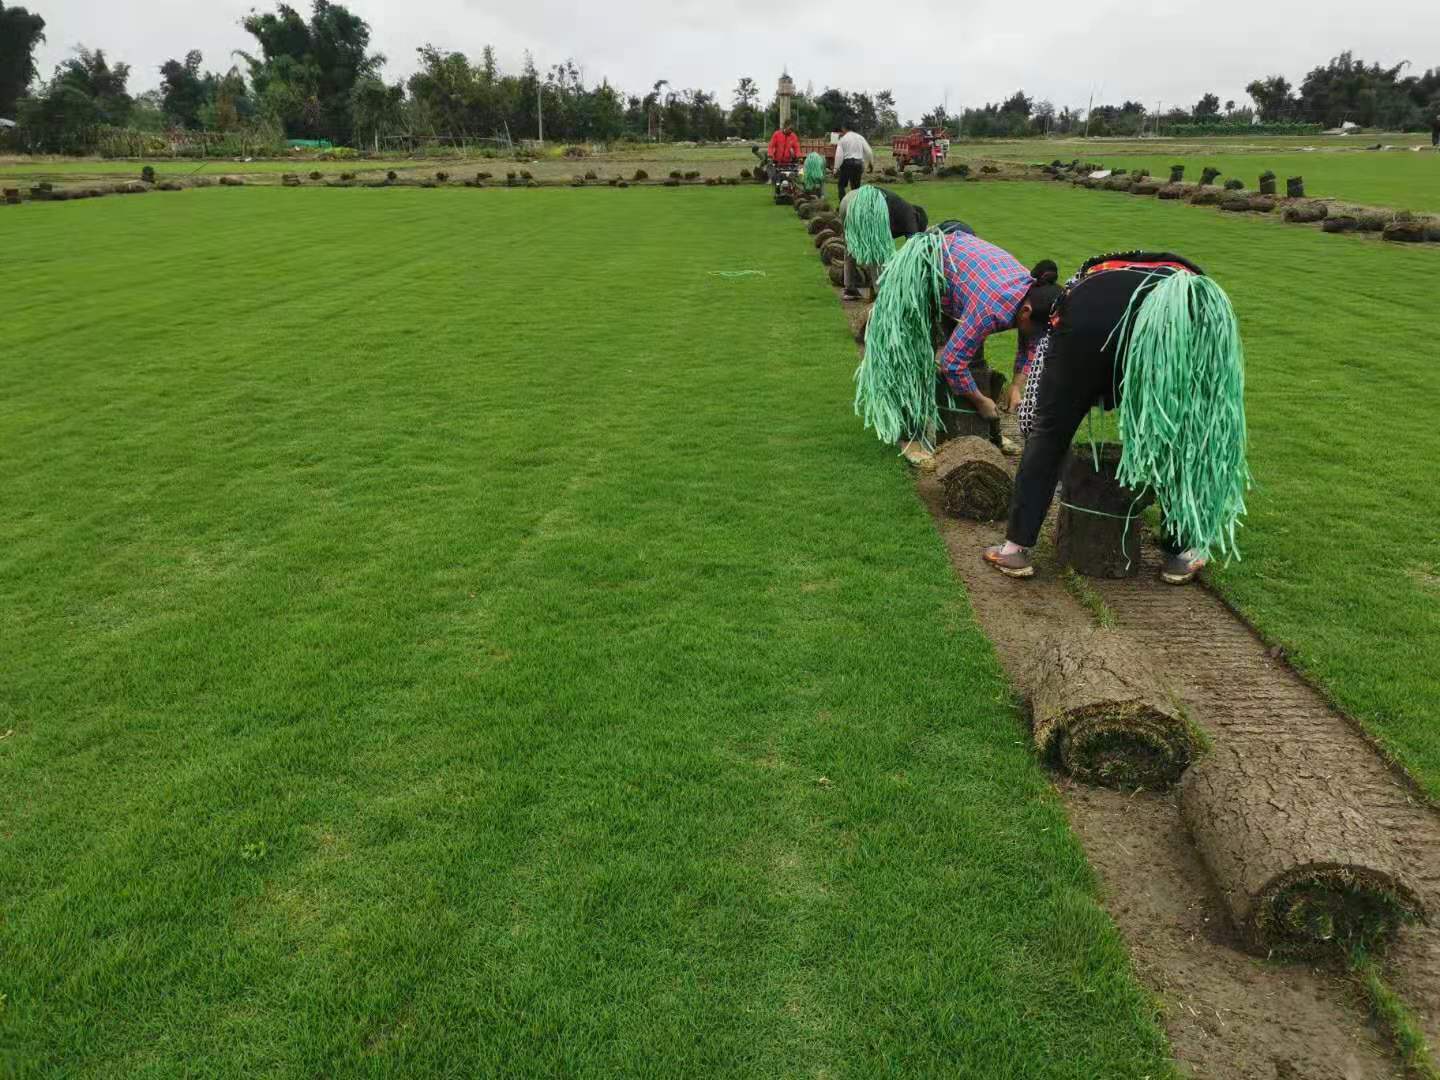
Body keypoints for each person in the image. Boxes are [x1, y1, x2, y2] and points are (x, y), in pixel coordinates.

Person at [985, 251, 1250, 584]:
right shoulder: (1192, 294)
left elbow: (1040, 399)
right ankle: (1181, 554)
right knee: (1178, 433)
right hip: (1163, 333)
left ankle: (1015, 550)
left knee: (1049, 434)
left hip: (1083, 326)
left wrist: (1036, 427)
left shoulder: (1083, 283)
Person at [854, 228, 1060, 464]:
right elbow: (951, 363)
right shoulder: (989, 308)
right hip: (923, 270)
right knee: (916, 359)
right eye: (1036, 330)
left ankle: (987, 435)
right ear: (1026, 312)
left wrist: (1016, 387)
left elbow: (1029, 344)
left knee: (973, 359)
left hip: (962, 274)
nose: (1036, 337)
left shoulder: (1033, 294)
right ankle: (911, 440)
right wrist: (981, 401)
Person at [836, 185, 929, 300]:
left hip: (848, 200)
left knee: (850, 245)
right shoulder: (911, 215)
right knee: (877, 249)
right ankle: (880, 293)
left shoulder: (898, 209)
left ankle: (849, 288)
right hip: (866, 203)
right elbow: (913, 245)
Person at [834, 123, 874, 202]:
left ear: (844, 128)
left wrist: (836, 168)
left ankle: (843, 204)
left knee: (841, 185)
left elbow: (839, 155)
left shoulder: (843, 139)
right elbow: (869, 152)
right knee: (855, 188)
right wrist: (870, 164)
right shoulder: (860, 138)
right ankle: (855, 206)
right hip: (858, 164)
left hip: (847, 164)